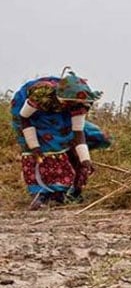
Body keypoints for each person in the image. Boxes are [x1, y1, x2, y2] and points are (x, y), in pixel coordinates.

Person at [10, 72, 112, 210]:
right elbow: (24, 118)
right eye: (69, 103)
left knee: (91, 137)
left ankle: (71, 189)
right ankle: (46, 194)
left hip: (59, 114)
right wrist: (34, 146)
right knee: (50, 148)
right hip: (29, 114)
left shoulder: (79, 103)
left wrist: (85, 160)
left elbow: (78, 132)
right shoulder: (42, 94)